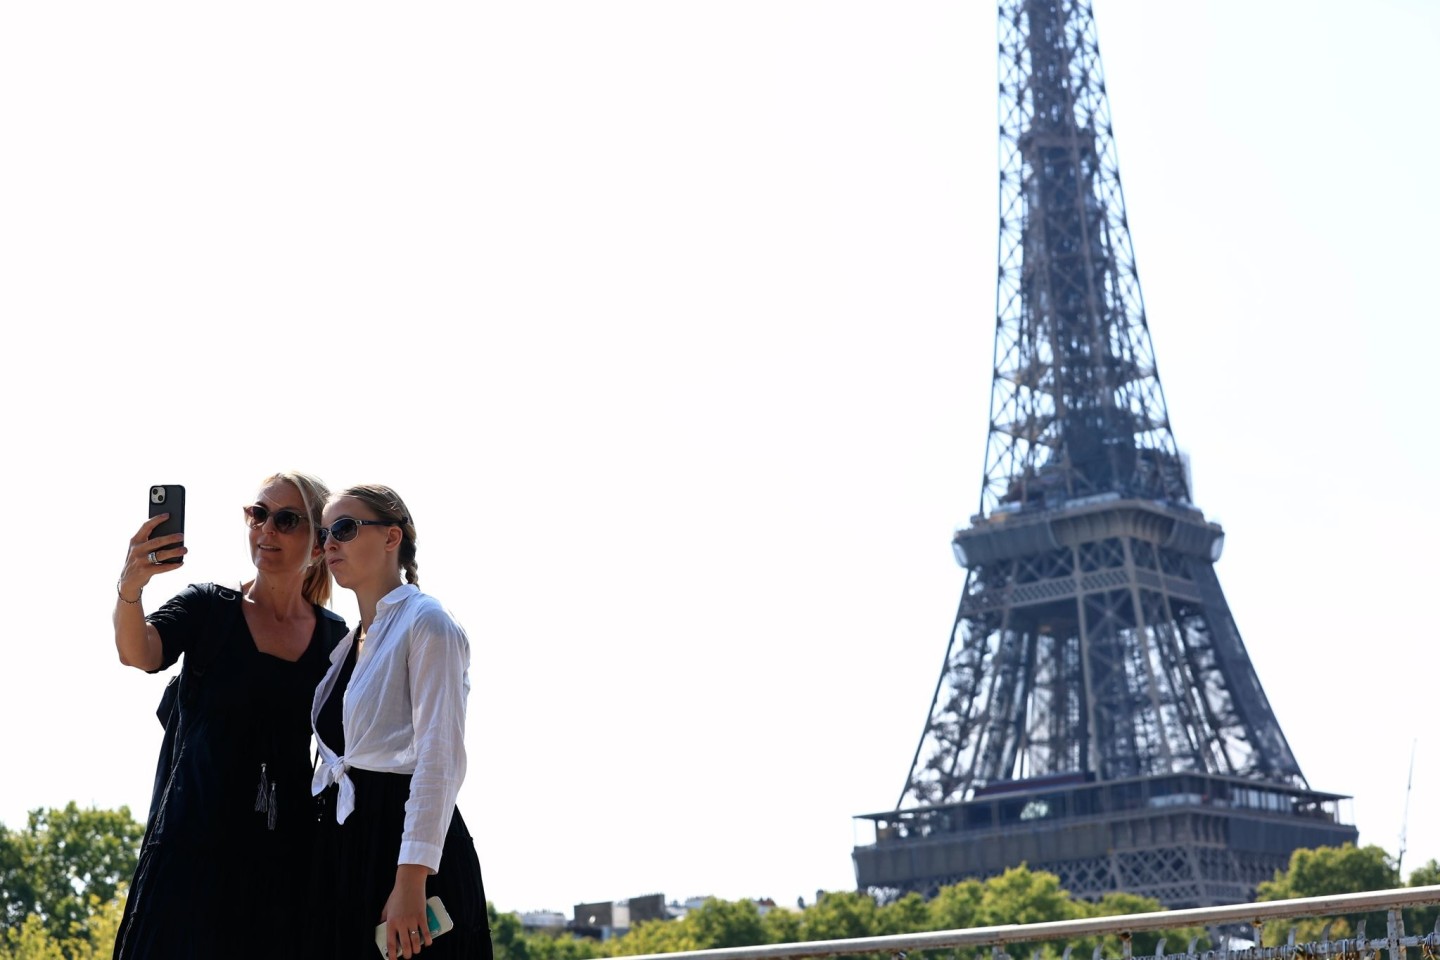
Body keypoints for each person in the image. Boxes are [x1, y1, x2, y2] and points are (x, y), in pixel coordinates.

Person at [111, 471, 349, 960]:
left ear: (320, 544)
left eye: (287, 520)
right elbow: (138, 652)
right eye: (258, 514)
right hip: (189, 854)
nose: (267, 531)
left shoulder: (335, 638)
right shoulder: (208, 608)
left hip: (282, 863)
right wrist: (130, 587)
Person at [306, 484, 492, 959]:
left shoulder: (427, 622)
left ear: (392, 538)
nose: (329, 543)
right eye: (324, 532)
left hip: (406, 854)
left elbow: (440, 758)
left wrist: (411, 878)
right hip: (348, 852)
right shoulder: (349, 645)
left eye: (344, 529)